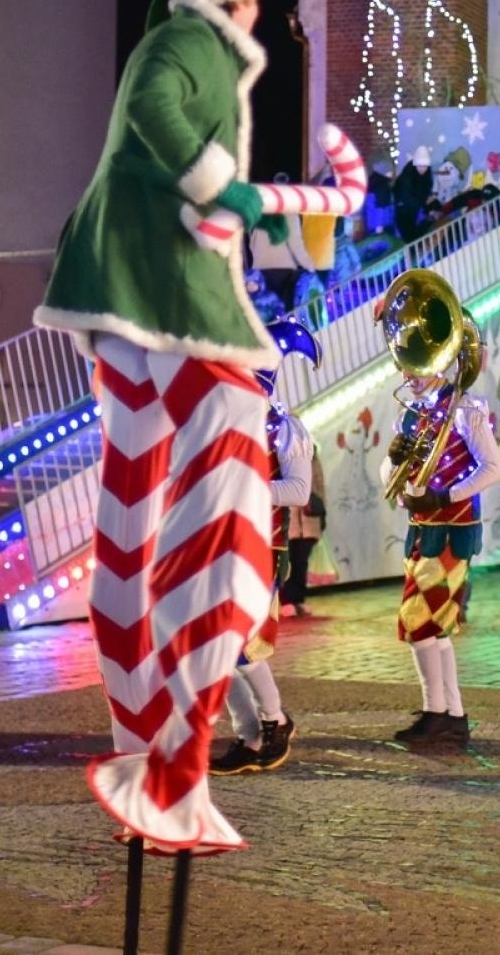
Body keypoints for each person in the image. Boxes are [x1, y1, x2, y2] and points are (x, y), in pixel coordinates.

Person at [34, 0, 282, 851]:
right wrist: (221, 187)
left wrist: (235, 208)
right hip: (153, 292)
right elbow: (153, 116)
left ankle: (148, 754)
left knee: (130, 520)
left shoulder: (182, 44)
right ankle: (176, 740)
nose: (257, 17)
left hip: (129, 293)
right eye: (253, 0)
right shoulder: (191, 41)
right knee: (229, 421)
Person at [380, 339, 500, 745]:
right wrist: (393, 461)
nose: (407, 376)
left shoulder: (466, 410)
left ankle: (437, 711)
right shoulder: (412, 413)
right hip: (422, 528)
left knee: (418, 621)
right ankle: (451, 714)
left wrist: (445, 496)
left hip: (452, 529)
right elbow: (390, 481)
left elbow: (493, 468)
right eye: (404, 368)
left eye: (413, 366)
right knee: (436, 626)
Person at [211, 319, 316, 777]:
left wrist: (248, 486)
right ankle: (249, 736)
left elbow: (298, 490)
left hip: (262, 548)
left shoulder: (287, 429)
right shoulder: (223, 429)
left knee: (242, 645)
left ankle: (276, 719)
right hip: (219, 546)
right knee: (215, 650)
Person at [283, 446, 325, 618]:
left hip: (309, 520)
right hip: (288, 520)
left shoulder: (312, 454)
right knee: (287, 563)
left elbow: (319, 485)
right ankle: (286, 601)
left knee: (301, 562)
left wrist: (322, 513)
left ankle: (299, 599)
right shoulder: (280, 453)